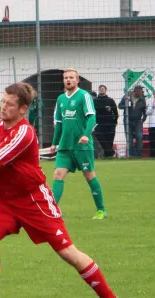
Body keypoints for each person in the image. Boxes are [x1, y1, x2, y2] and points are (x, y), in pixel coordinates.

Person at [0, 82, 123, 298]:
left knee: (68, 252)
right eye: (2, 102)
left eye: (9, 104)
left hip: (35, 201)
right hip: (5, 202)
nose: (3, 107)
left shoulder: (24, 132)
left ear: (23, 109)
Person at [50, 68, 107, 220]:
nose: (68, 80)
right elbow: (59, 123)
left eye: (71, 77)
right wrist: (54, 143)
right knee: (58, 174)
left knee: (89, 176)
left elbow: (92, 118)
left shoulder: (84, 96)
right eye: (65, 78)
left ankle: (101, 210)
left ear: (77, 80)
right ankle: (52, 211)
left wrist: (86, 135)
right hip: (65, 146)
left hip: (82, 146)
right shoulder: (61, 99)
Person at [118, 85, 147, 157]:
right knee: (129, 138)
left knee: (139, 136)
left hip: (138, 121)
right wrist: (126, 106)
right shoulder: (127, 97)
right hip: (128, 121)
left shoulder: (142, 98)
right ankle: (131, 155)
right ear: (135, 91)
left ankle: (138, 154)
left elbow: (144, 109)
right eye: (140, 92)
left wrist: (144, 118)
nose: (141, 93)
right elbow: (120, 106)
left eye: (142, 92)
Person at [93, 85, 119, 158]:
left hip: (110, 123)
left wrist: (115, 122)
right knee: (99, 136)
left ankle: (108, 156)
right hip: (99, 123)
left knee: (110, 140)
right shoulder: (95, 101)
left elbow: (115, 112)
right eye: (100, 89)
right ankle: (112, 152)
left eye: (103, 89)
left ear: (105, 90)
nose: (101, 90)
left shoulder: (110, 100)